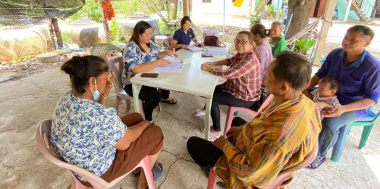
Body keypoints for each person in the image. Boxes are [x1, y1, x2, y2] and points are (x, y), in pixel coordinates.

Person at [187, 52, 321, 188]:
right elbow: (264, 121)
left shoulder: (279, 135)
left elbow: (248, 172)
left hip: (249, 176)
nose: (264, 76)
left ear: (283, 87)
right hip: (263, 154)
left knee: (193, 144)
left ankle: (214, 169)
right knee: (237, 122)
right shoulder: (307, 104)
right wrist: (243, 130)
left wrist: (225, 146)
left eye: (268, 74)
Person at [51, 55, 164, 189]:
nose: (107, 81)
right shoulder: (99, 116)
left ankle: (137, 166)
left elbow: (100, 117)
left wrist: (105, 92)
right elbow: (126, 142)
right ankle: (144, 183)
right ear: (92, 81)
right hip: (97, 173)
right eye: (105, 79)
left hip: (80, 159)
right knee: (155, 132)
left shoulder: (67, 98)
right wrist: (146, 123)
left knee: (135, 117)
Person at [304, 25, 380, 169]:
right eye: (345, 38)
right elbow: (321, 74)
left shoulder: (373, 67)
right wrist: (306, 90)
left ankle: (319, 154)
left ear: (367, 43)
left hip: (352, 104)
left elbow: (372, 98)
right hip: (327, 95)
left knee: (330, 123)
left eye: (353, 40)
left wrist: (343, 109)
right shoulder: (336, 54)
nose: (346, 42)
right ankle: (300, 141)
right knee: (299, 102)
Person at [193, 31, 261, 138]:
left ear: (251, 44)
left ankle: (216, 130)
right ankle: (206, 109)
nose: (239, 44)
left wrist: (209, 68)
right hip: (238, 89)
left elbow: (229, 74)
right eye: (237, 41)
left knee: (213, 98)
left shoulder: (250, 60)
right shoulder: (242, 54)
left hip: (246, 98)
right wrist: (214, 63)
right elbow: (230, 60)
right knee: (212, 88)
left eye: (244, 42)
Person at [123, 21, 178, 122]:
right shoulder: (131, 48)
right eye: (147, 34)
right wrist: (158, 63)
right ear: (138, 34)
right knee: (154, 98)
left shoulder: (150, 43)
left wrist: (165, 53)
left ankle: (164, 97)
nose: (150, 36)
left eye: (150, 33)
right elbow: (135, 69)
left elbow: (157, 55)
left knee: (168, 79)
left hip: (150, 76)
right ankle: (147, 119)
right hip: (133, 82)